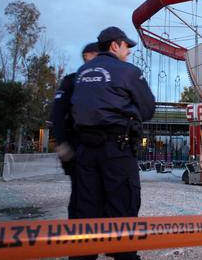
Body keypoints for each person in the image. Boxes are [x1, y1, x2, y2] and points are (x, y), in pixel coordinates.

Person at [71, 26, 155, 260]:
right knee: (123, 208)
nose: (128, 51)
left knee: (86, 212)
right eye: (126, 46)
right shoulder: (127, 71)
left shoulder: (81, 72)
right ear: (114, 45)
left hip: (85, 152)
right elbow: (148, 109)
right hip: (116, 151)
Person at [51, 42, 99, 219]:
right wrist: (62, 144)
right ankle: (77, 239)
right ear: (88, 56)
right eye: (98, 55)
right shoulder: (72, 80)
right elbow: (57, 114)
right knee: (80, 196)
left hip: (93, 149)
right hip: (76, 147)